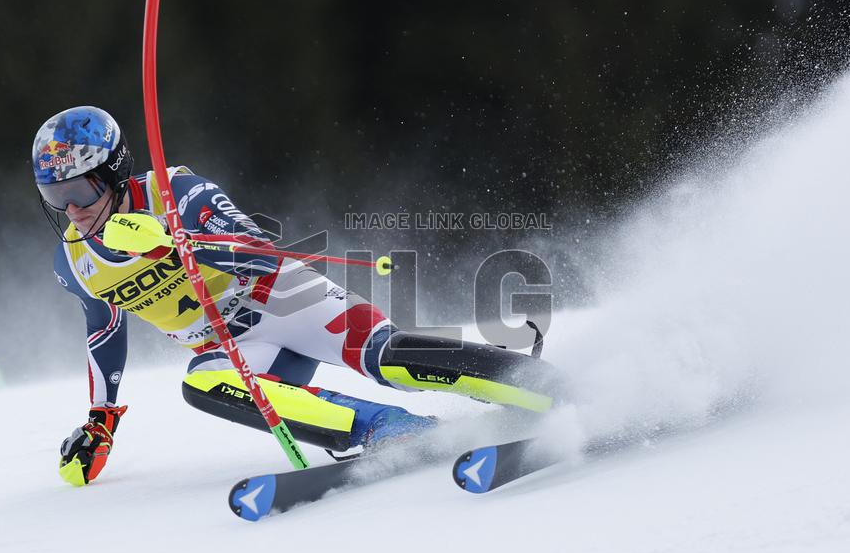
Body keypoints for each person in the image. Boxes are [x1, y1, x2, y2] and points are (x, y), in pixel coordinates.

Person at [33, 105, 558, 487]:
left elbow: (260, 253)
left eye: (81, 190)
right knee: (204, 384)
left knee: (385, 357)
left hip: (286, 297)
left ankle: (533, 384)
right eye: (56, 197)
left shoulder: (180, 194)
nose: (73, 209)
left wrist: (178, 242)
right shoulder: (74, 262)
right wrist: (102, 421)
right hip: (234, 344)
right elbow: (103, 331)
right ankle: (391, 430)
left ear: (115, 172)